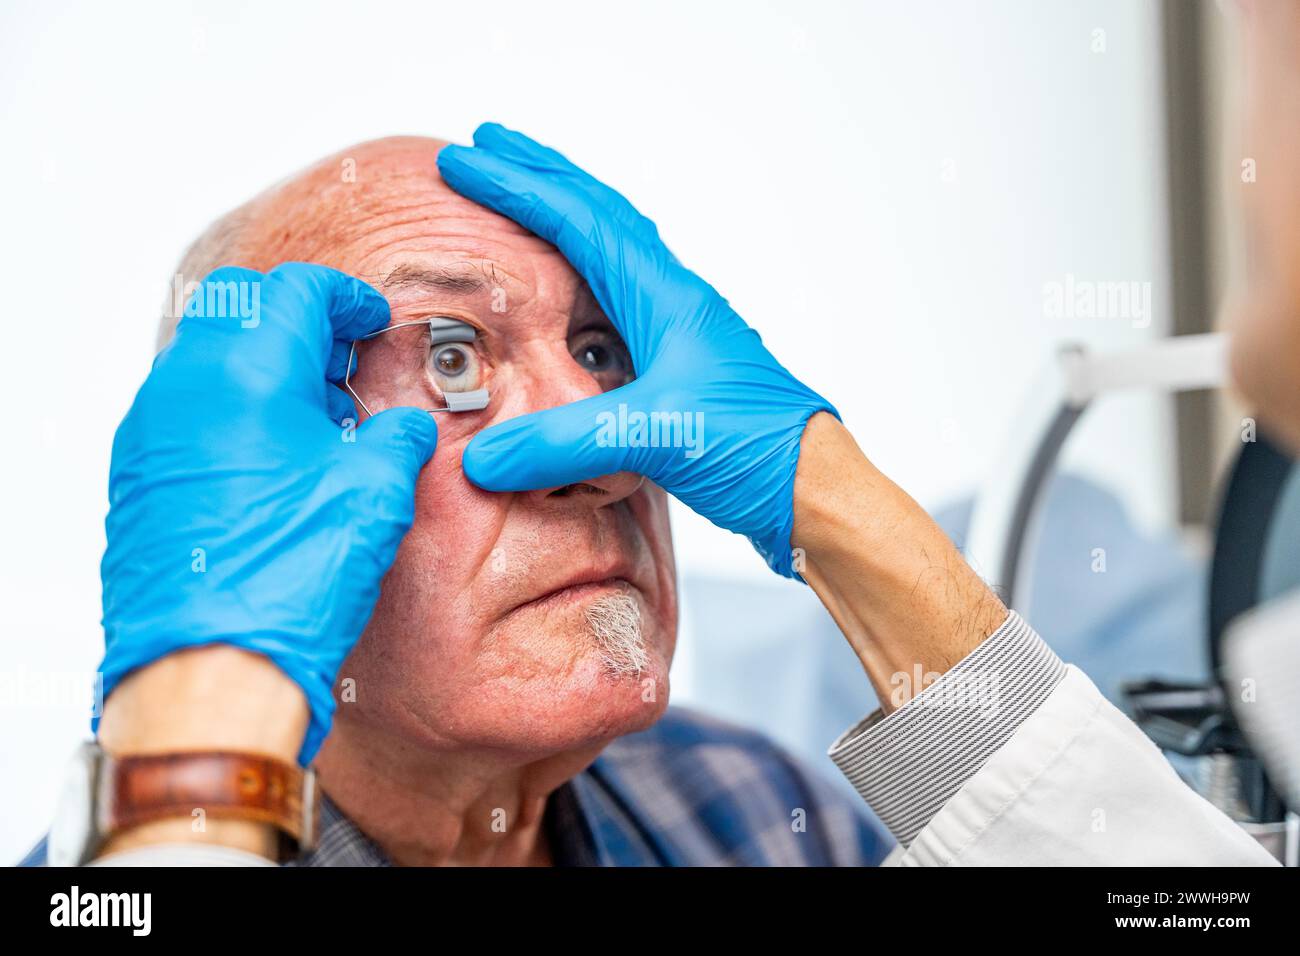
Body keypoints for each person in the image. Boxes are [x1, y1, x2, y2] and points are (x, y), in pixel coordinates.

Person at [31, 1, 1300, 868]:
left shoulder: (747, 809)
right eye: (452, 356)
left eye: (602, 354)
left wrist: (823, 484)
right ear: (255, 492)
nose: (599, 441)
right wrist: (204, 727)